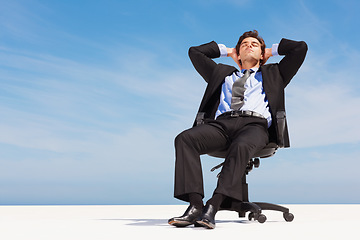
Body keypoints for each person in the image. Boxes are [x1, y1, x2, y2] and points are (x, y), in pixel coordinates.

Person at [168, 30, 307, 229]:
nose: (248, 45)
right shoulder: (221, 74)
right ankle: (195, 206)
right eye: (244, 45)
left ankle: (213, 206)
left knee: (241, 145)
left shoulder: (275, 73)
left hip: (255, 126)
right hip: (221, 125)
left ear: (262, 54)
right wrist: (228, 51)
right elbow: (195, 52)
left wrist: (270, 51)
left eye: (254, 44)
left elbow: (300, 48)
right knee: (184, 139)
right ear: (238, 54)